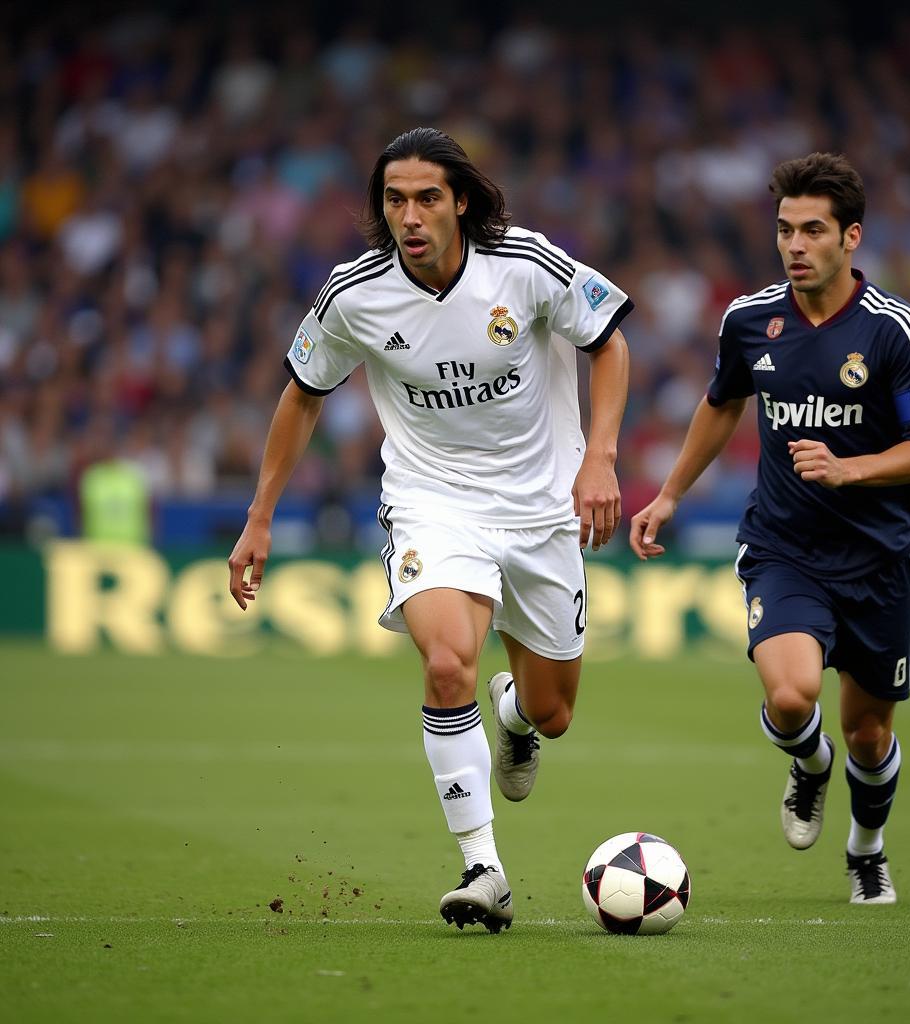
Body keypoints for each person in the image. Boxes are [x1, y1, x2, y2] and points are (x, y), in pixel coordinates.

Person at [228, 127, 631, 931]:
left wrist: (602, 459)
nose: (409, 215)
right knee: (447, 664)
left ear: (463, 202)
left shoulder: (526, 265)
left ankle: (513, 714)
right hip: (432, 502)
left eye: (427, 198)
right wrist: (259, 516)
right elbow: (303, 394)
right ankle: (484, 867)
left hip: (543, 506)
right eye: (394, 199)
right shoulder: (354, 294)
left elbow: (609, 342)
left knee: (554, 713)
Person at [630, 152, 910, 905]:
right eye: (785, 230)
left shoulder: (894, 329)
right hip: (784, 549)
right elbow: (720, 404)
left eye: (813, 230)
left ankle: (865, 849)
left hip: (879, 561)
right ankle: (809, 764)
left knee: (870, 737)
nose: (796, 245)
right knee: (790, 697)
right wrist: (671, 493)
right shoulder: (750, 320)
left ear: (852, 238)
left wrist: (852, 468)